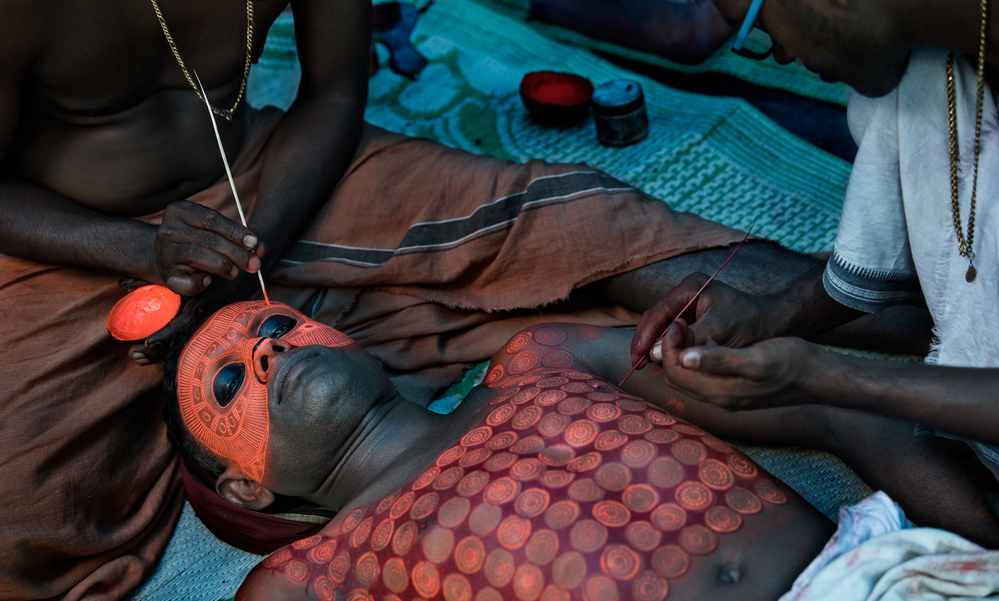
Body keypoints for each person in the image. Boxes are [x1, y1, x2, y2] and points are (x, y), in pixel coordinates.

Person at [1, 0, 908, 598]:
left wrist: (254, 243)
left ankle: (877, 300)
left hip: (271, 185)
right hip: (77, 243)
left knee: (570, 219)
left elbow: (333, 93)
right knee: (24, 497)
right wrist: (134, 251)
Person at [164, 301, 999, 600]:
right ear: (246, 492)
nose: (266, 352)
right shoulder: (309, 577)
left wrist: (979, 539)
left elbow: (825, 411)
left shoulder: (542, 359)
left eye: (271, 325)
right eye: (230, 385)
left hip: (889, 576)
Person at [634, 0, 999, 505]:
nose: (778, 53)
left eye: (755, 24)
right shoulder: (921, 45)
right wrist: (772, 314)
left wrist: (831, 379)